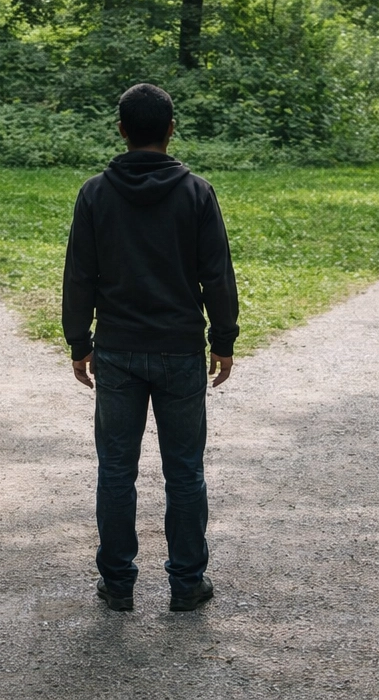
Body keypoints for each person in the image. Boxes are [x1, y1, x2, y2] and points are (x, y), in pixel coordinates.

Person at [62, 83, 240, 613]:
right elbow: (217, 274)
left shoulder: (95, 192)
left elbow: (79, 275)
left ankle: (117, 584)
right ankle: (187, 583)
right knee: (184, 469)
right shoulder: (196, 192)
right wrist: (223, 338)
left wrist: (79, 342)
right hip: (180, 351)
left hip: (117, 350)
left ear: (121, 129)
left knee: (116, 469)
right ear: (170, 128)